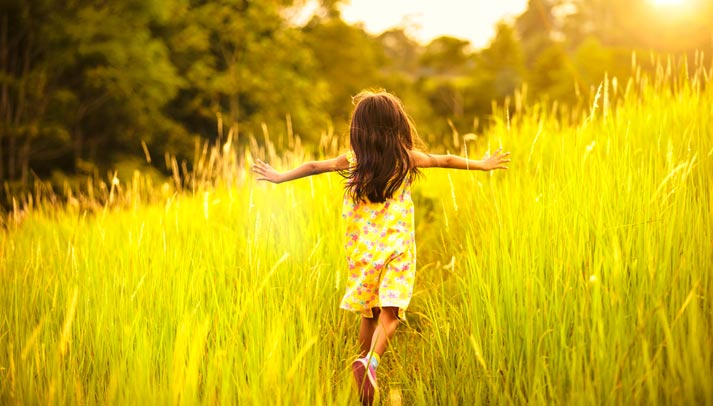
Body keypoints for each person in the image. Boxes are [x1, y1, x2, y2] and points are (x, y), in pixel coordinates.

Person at [252, 90, 510, 405]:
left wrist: (279, 177)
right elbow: (445, 159)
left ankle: (363, 373)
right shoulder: (406, 158)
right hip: (396, 248)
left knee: (369, 312)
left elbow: (312, 166)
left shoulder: (353, 160)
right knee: (392, 312)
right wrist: (483, 165)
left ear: (358, 129)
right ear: (396, 125)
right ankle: (370, 364)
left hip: (361, 250)